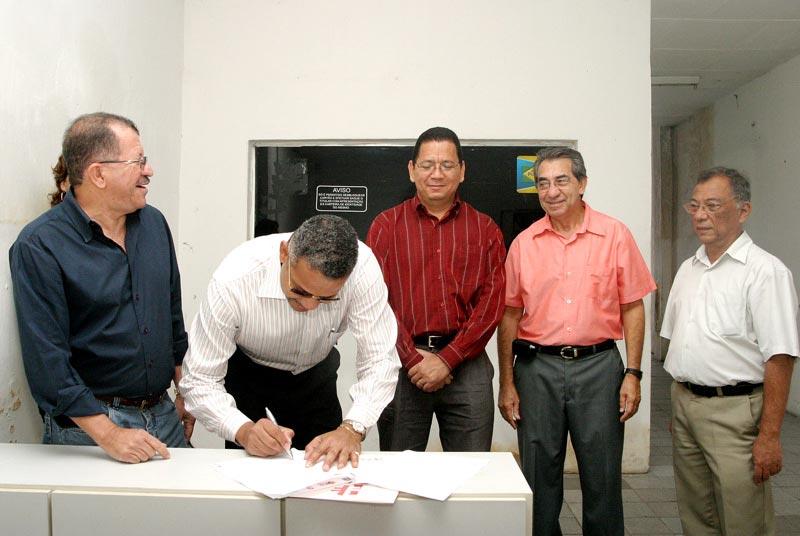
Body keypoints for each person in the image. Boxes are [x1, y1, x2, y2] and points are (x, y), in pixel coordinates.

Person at [10, 112, 193, 463]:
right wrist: (110, 435)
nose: (149, 170)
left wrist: (186, 390)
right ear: (98, 174)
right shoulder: (40, 245)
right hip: (90, 431)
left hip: (164, 415)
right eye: (138, 161)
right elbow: (48, 363)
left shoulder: (154, 224)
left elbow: (172, 316)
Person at [498, 146, 656, 535]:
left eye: (561, 181)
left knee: (602, 475)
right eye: (543, 183)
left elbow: (632, 307)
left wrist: (633, 373)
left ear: (582, 183)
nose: (551, 191)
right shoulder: (524, 244)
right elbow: (510, 315)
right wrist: (507, 382)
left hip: (599, 368)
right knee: (538, 476)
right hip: (536, 370)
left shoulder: (614, 235)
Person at [180, 214, 400, 470]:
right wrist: (243, 430)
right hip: (250, 381)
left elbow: (380, 360)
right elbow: (199, 379)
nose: (310, 306)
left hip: (317, 381)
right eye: (300, 291)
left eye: (326, 299)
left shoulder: (362, 270)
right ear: (284, 253)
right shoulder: (235, 278)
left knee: (326, 474)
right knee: (254, 476)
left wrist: (353, 428)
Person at [661, 167, 798, 535]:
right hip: (686, 405)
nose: (700, 215)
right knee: (697, 516)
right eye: (694, 206)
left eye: (712, 205)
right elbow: (682, 342)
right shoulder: (689, 269)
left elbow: (780, 358)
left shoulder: (765, 272)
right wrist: (684, 404)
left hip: (735, 413)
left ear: (743, 210)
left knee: (743, 519)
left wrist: (769, 436)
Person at [366, 126, 505, 452]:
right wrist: (412, 358)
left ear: (462, 171)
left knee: (471, 469)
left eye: (447, 165)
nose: (437, 174)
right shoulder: (386, 226)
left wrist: (448, 359)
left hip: (467, 362)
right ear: (412, 170)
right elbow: (374, 302)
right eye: (427, 165)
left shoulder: (485, 229)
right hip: (402, 364)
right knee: (398, 467)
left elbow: (492, 303)